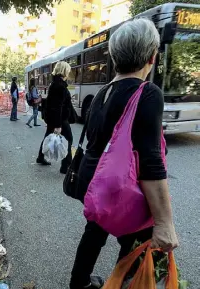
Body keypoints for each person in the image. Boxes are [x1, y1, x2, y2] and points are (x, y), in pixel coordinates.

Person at [69, 19, 179, 289]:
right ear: (152, 56)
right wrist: (164, 223)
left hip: (93, 184)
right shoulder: (147, 94)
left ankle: (78, 283)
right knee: (140, 243)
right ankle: (121, 283)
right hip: (116, 188)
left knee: (95, 230)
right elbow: (150, 162)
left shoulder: (102, 93)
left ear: (115, 58)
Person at [36, 61, 74, 174]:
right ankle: (65, 167)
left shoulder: (55, 83)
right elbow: (57, 107)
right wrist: (58, 125)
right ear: (64, 70)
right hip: (60, 119)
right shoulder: (59, 85)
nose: (69, 72)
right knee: (68, 139)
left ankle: (40, 157)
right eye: (68, 70)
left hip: (54, 118)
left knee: (48, 136)